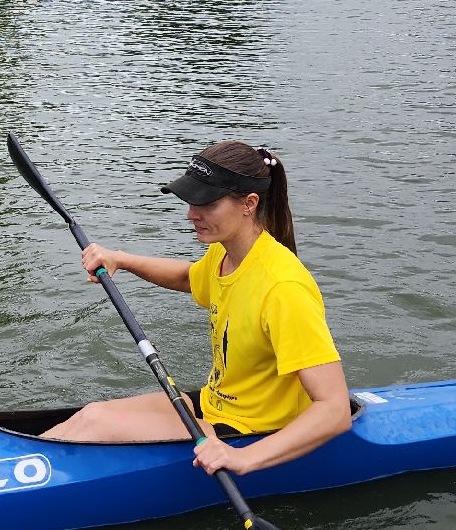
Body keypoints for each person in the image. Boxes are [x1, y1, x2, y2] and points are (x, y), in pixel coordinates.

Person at [42, 142, 351, 478]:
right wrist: (120, 259)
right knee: (91, 415)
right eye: (191, 201)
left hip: (250, 433)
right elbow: (189, 277)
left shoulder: (284, 288)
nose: (192, 213)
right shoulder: (225, 254)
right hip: (213, 407)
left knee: (98, 425)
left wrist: (244, 459)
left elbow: (335, 411)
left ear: (249, 204)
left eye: (206, 202)